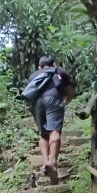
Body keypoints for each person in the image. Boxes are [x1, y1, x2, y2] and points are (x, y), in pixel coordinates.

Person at [28, 55, 74, 184]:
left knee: (43, 135)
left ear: (39, 66)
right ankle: (53, 162)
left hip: (37, 103)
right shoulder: (59, 71)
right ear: (53, 64)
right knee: (54, 132)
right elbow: (70, 93)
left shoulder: (34, 75)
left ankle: (45, 162)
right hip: (54, 99)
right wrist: (63, 103)